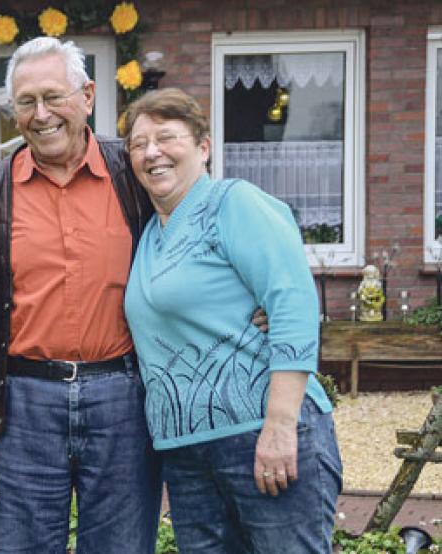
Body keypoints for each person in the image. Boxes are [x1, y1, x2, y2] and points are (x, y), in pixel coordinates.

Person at [0, 36, 161, 553]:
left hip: (123, 399)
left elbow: (198, 243)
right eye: (26, 102)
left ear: (87, 96)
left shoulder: (136, 176)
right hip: (23, 405)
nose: (41, 115)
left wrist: (250, 301)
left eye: (53, 97)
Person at [122, 88, 342, 554]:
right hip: (187, 451)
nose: (151, 152)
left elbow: (293, 304)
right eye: (138, 144)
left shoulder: (233, 203)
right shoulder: (148, 233)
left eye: (166, 137)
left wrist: (280, 425)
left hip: (260, 434)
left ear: (203, 147)